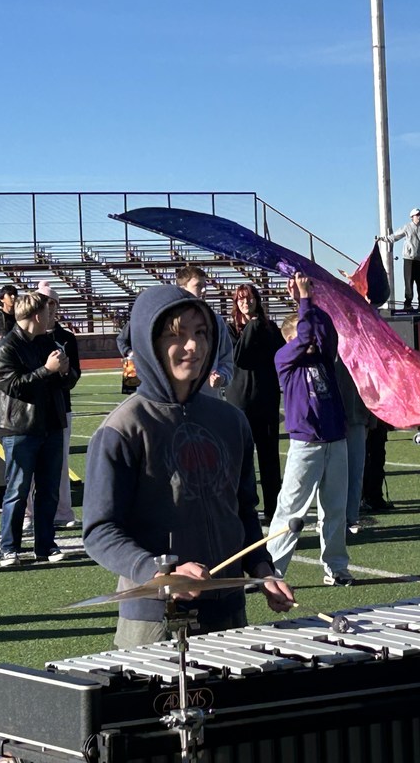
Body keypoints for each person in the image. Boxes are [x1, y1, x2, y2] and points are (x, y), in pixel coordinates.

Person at [84, 284, 295, 648]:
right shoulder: (122, 429)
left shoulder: (231, 421)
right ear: (148, 342)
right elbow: (100, 531)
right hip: (156, 618)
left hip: (230, 612)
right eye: (176, 336)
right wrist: (158, 572)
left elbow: (242, 510)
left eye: (201, 333)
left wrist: (262, 568)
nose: (193, 347)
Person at [266, 273, 353, 587]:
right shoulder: (285, 359)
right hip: (306, 443)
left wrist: (309, 301)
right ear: (289, 340)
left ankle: (336, 567)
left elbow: (326, 333)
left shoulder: (323, 359)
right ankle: (273, 570)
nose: (313, 341)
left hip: (334, 439)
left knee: (335, 509)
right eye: (304, 335)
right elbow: (305, 337)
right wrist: (302, 300)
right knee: (291, 509)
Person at [0, 292, 70, 567]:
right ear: (37, 316)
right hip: (21, 427)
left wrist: (65, 372)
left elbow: (67, 381)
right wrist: (47, 371)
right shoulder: (7, 347)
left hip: (51, 424)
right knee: (18, 489)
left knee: (48, 490)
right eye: (49, 313)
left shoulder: (48, 341)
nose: (52, 318)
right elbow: (10, 385)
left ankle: (45, 545)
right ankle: (9, 548)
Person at [224, 284, 285, 524]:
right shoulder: (231, 329)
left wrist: (259, 325)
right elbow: (240, 357)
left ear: (257, 301)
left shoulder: (269, 328)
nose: (245, 303)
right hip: (240, 401)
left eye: (249, 299)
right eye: (240, 300)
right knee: (242, 459)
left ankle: (274, 507)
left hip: (267, 400)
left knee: (270, 458)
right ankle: (246, 508)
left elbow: (281, 355)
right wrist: (251, 326)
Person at [24, 282, 81, 531]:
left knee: (59, 464)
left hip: (60, 408)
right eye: (43, 303)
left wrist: (66, 371)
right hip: (31, 410)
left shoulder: (66, 338)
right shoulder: (26, 338)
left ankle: (63, 511)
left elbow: (74, 375)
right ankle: (26, 514)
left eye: (52, 303)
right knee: (27, 465)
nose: (48, 308)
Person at [175, 265, 233, 394]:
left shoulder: (216, 321)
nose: (204, 290)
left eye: (204, 285)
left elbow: (226, 360)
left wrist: (221, 377)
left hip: (208, 401)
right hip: (175, 404)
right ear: (182, 289)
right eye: (198, 286)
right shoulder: (168, 322)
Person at [334, 355, 370, 533]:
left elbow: (372, 385)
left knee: (356, 471)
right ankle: (328, 518)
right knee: (332, 474)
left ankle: (351, 517)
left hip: (357, 418)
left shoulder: (363, 351)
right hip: (334, 420)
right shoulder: (329, 345)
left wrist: (370, 419)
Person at [378, 207, 420, 310]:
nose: (419, 217)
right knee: (409, 281)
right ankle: (408, 303)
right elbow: (395, 236)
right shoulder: (407, 227)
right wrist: (383, 239)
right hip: (408, 259)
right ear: (412, 217)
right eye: (417, 215)